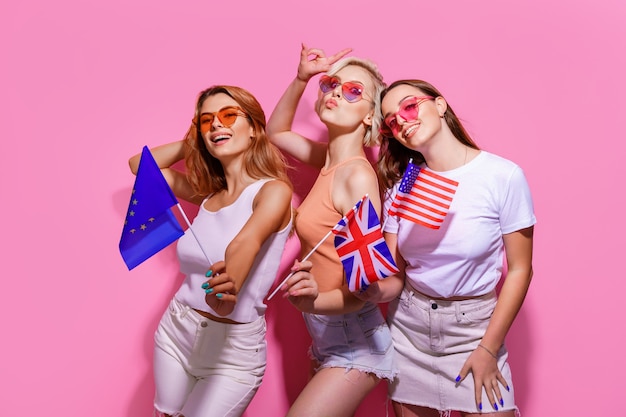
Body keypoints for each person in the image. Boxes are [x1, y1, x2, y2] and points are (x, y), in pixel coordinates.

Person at [360, 79, 536, 416]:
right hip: (410, 330)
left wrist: (488, 348)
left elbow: (520, 269)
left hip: (475, 330)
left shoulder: (502, 176)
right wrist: (369, 290)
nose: (402, 121)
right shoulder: (406, 183)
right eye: (392, 121)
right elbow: (395, 275)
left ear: (440, 105)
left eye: (410, 106)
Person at [128, 85, 302, 417]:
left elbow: (245, 242)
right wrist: (193, 138)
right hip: (177, 331)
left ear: (253, 128)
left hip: (233, 351)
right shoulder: (207, 195)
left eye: (228, 116)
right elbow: (139, 166)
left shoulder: (274, 191)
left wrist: (226, 290)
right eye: (207, 121)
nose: (217, 126)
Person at [267, 45, 395, 417]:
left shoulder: (356, 177)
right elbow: (276, 132)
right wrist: (303, 78)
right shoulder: (327, 160)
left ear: (370, 117)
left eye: (354, 90)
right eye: (331, 84)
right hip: (325, 335)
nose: (337, 92)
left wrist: (312, 302)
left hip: (355, 339)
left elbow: (364, 290)